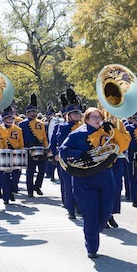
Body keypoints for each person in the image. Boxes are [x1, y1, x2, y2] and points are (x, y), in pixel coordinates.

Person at [59, 107, 118, 259]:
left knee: (107, 209)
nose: (98, 119)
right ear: (86, 119)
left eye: (99, 117)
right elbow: (63, 151)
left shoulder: (108, 132)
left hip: (105, 175)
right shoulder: (76, 134)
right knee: (90, 213)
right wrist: (81, 155)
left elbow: (121, 145)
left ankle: (93, 231)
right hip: (84, 178)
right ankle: (92, 246)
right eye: (94, 117)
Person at [51, 89, 84, 220]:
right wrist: (55, 154)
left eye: (79, 112)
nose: (77, 115)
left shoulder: (85, 126)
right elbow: (59, 143)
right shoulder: (62, 127)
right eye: (74, 113)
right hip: (68, 159)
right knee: (69, 186)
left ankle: (80, 207)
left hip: (82, 158)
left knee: (81, 185)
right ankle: (71, 209)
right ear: (68, 115)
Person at [21, 94, 49, 198]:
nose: (34, 114)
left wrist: (46, 147)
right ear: (27, 113)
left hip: (40, 147)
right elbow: (21, 137)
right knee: (30, 170)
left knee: (42, 169)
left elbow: (44, 136)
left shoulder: (41, 123)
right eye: (31, 112)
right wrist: (22, 148)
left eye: (35, 112)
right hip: (28, 148)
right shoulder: (22, 124)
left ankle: (37, 186)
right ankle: (30, 190)